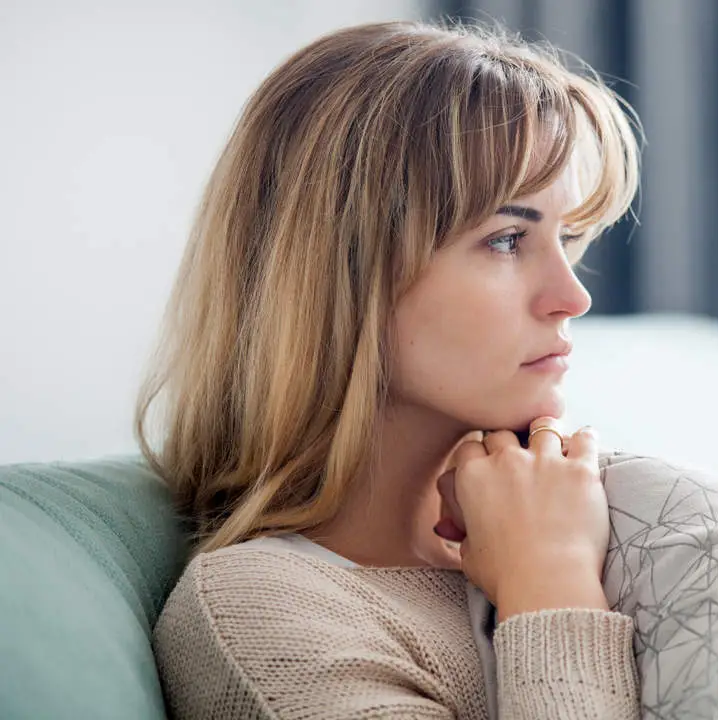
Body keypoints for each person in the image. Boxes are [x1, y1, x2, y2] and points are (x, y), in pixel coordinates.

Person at [137, 19, 641, 719]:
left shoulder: (600, 512)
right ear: (340, 273)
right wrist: (549, 577)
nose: (573, 296)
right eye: (505, 240)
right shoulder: (263, 614)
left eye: (571, 239)